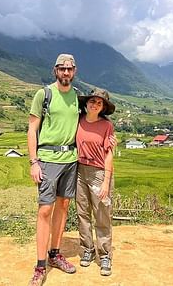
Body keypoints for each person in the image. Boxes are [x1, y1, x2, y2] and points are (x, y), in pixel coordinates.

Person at [27, 53, 80, 286]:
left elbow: (90, 122)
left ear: (74, 71)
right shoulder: (44, 94)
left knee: (64, 206)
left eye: (69, 69)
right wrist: (33, 162)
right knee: (45, 211)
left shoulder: (78, 96)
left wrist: (108, 138)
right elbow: (31, 129)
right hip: (47, 159)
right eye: (62, 69)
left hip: (71, 158)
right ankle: (40, 266)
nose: (66, 73)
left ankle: (55, 254)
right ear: (55, 70)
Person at [75, 88, 115, 276]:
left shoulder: (107, 126)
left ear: (103, 107)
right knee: (82, 212)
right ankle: (87, 249)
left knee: (102, 214)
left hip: (99, 172)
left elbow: (109, 155)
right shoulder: (78, 120)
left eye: (99, 103)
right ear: (87, 103)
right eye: (92, 101)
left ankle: (105, 254)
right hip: (80, 170)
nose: (95, 104)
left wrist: (106, 182)